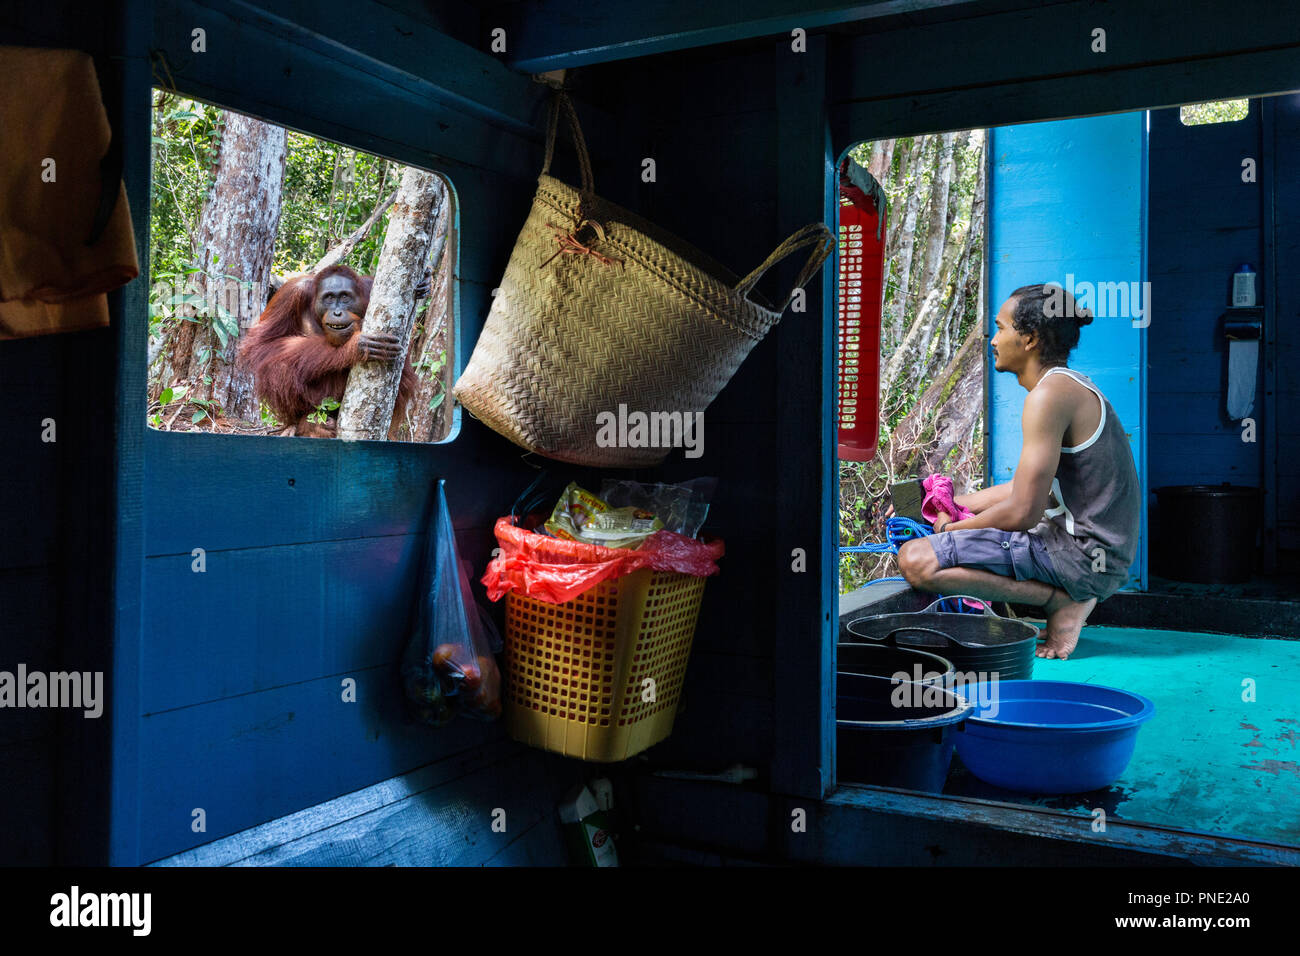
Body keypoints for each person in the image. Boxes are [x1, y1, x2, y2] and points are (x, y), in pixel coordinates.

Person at [897, 283, 1140, 660]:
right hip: (1101, 556)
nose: (994, 340)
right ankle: (1068, 595)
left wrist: (948, 528)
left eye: (1001, 328)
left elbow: (1024, 512)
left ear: (1030, 339)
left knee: (916, 559)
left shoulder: (1048, 396)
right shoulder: (1067, 387)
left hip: (1084, 558)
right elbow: (1034, 492)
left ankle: (1061, 602)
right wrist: (954, 503)